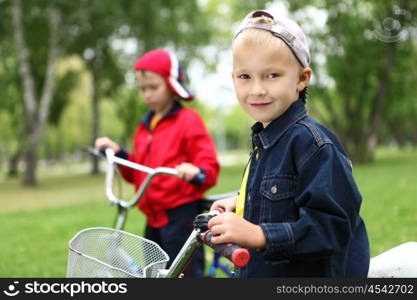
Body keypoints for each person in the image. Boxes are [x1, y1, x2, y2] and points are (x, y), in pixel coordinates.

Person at [208, 9, 370, 277]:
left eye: (272, 75)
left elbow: (332, 226)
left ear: (301, 79)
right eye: (245, 76)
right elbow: (283, 194)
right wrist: (241, 202)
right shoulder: (266, 139)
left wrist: (260, 235)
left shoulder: (314, 144)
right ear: (233, 78)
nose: (257, 89)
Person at [95, 49, 220, 277]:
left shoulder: (188, 121)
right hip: (153, 218)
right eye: (143, 89)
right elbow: (138, 173)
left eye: (153, 88)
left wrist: (196, 171)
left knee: (185, 275)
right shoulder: (145, 126)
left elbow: (209, 167)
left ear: (171, 87)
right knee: (155, 273)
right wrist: (119, 153)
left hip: (180, 217)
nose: (147, 95)